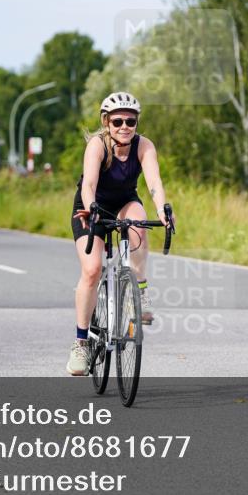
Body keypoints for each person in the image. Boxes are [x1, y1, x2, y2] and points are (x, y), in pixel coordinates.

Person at [66, 92, 173, 376]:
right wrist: (92, 207)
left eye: (131, 121)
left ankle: (140, 288)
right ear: (106, 122)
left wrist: (162, 210)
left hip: (125, 202)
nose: (124, 126)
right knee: (92, 270)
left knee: (138, 223)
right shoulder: (97, 145)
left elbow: (154, 182)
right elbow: (89, 183)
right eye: (117, 121)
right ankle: (81, 344)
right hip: (91, 208)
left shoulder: (144, 146)